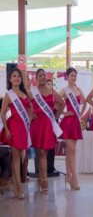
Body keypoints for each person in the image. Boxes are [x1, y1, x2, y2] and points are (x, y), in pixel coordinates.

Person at [30, 68, 65, 194]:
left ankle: (43, 180)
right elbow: (25, 104)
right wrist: (30, 115)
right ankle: (42, 179)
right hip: (37, 125)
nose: (43, 77)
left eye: (44, 75)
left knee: (43, 153)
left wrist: (56, 116)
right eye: (40, 75)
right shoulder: (32, 91)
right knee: (40, 153)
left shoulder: (51, 90)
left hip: (48, 125)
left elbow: (62, 103)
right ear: (36, 78)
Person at [0, 68, 31, 199]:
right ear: (10, 79)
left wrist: (29, 119)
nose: (17, 78)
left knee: (22, 156)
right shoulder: (9, 94)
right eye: (14, 76)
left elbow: (30, 108)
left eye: (18, 76)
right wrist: (6, 129)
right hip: (13, 127)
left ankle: (15, 183)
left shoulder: (26, 93)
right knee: (16, 157)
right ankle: (17, 187)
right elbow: (2, 112)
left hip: (23, 127)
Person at [59, 67, 86, 190]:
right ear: (67, 77)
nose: (74, 77)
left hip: (75, 122)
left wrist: (80, 114)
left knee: (71, 151)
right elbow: (55, 103)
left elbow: (85, 102)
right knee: (71, 150)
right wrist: (63, 113)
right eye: (71, 75)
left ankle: (68, 177)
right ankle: (74, 177)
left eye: (75, 75)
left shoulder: (78, 89)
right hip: (68, 123)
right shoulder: (64, 90)